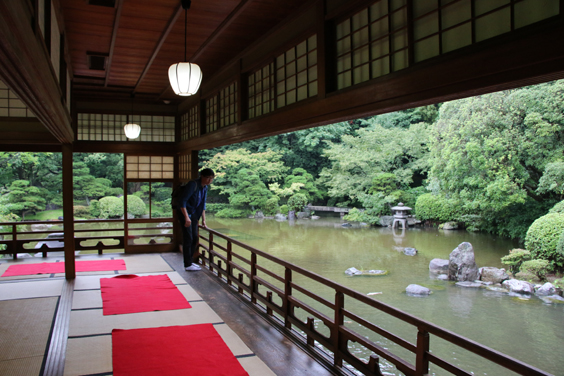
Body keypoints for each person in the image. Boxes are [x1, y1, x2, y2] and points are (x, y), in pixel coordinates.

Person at [177, 168, 215, 271]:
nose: (209, 181)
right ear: (202, 176)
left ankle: (190, 261)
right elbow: (182, 202)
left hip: (193, 214)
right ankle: (187, 264)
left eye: (211, 178)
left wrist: (203, 220)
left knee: (194, 237)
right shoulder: (193, 185)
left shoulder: (205, 187)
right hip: (184, 213)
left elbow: (203, 204)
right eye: (207, 178)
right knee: (188, 238)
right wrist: (186, 218)